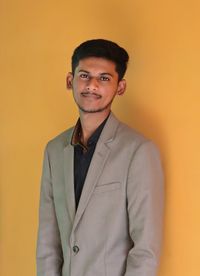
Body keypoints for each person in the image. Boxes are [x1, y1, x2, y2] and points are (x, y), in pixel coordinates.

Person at [36, 39, 164, 276]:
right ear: (69, 80)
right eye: (84, 75)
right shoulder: (54, 150)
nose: (92, 85)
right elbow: (48, 242)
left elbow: (145, 249)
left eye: (104, 78)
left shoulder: (139, 151)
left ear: (120, 87)